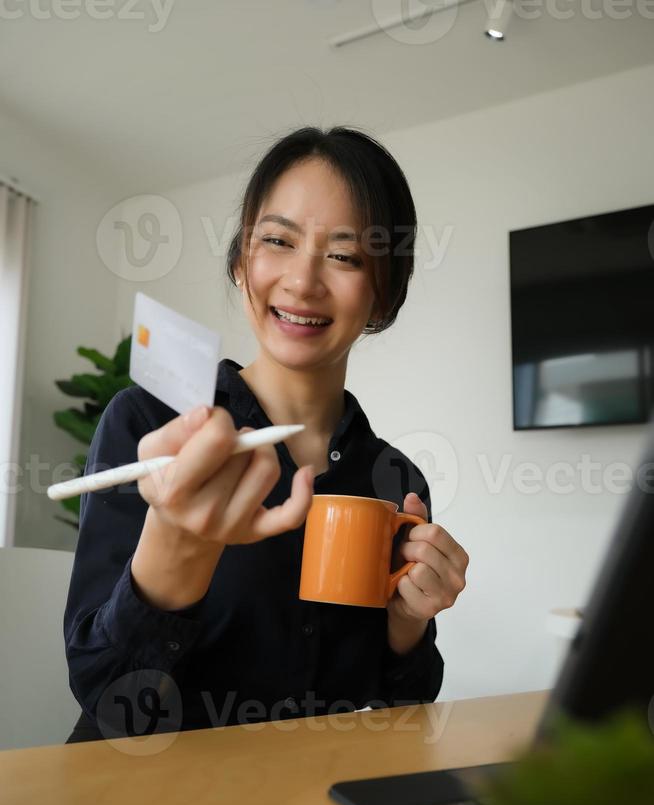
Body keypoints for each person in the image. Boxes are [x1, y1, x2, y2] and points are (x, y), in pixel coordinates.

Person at [64, 126, 469, 744]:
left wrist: (409, 619)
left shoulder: (395, 479)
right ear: (239, 262)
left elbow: (405, 703)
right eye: (277, 241)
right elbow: (107, 695)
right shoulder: (153, 427)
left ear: (383, 295)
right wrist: (178, 544)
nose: (303, 281)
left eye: (345, 254)